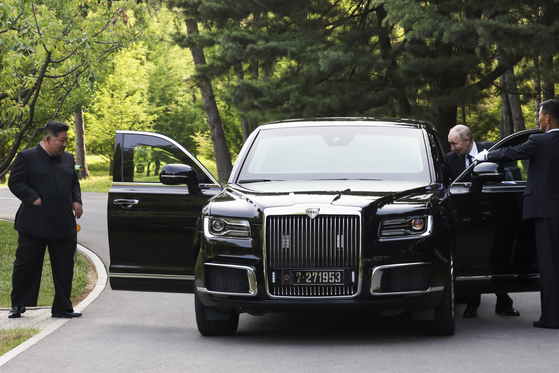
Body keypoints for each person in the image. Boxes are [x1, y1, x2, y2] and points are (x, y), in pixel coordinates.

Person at [476, 99, 559, 329]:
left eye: (539, 116)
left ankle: (552, 318)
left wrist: (486, 156)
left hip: (547, 211)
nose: (538, 120)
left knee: (550, 266)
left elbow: (512, 153)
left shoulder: (540, 141)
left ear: (548, 119)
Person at [7, 120, 83, 319]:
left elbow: (74, 182)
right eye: (62, 140)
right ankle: (18, 304)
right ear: (48, 139)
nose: (65, 144)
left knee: (64, 267)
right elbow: (14, 182)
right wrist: (33, 197)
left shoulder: (67, 158)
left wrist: (77, 200)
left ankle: (63, 308)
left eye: (67, 140)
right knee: (25, 266)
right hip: (34, 224)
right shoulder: (27, 157)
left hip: (64, 225)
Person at [442, 124, 520, 318]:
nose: (452, 148)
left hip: (499, 213)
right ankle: (472, 305)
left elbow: (513, 174)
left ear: (467, 141)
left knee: (501, 255)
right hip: (468, 216)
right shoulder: (449, 160)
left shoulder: (493, 149)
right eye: (450, 144)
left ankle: (503, 302)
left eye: (454, 143)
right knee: (470, 256)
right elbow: (445, 186)